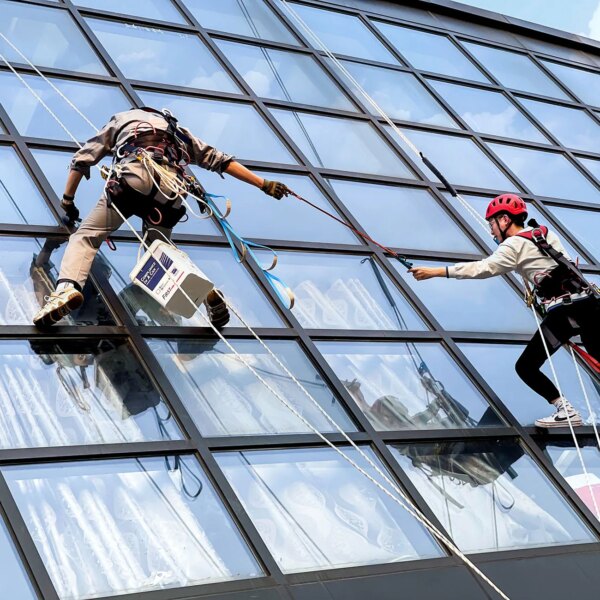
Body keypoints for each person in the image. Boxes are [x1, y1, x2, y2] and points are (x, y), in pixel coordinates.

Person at [33, 107, 289, 328]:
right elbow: (219, 160)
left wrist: (68, 201)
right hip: (171, 190)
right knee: (159, 253)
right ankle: (207, 293)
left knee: (86, 237)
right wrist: (263, 183)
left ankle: (66, 289)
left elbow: (82, 159)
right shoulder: (176, 131)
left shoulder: (121, 120)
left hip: (135, 177)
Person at [409, 193, 600, 428]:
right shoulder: (544, 233)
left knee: (526, 367)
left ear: (504, 220)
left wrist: (435, 272)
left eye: (491, 224)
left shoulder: (513, 244)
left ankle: (566, 410)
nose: (491, 231)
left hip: (564, 313)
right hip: (590, 305)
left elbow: (483, 268)